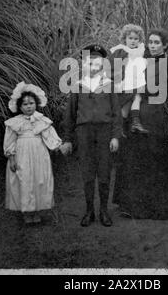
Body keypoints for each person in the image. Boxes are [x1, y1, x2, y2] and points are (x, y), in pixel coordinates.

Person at [113, 29, 168, 220]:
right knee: (135, 156)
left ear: (165, 45)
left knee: (157, 156)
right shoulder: (140, 60)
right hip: (138, 111)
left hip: (159, 113)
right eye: (150, 42)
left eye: (157, 42)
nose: (152, 45)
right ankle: (133, 206)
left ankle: (159, 206)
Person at [61, 45, 122, 227]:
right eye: (89, 62)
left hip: (104, 133)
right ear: (83, 64)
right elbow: (70, 115)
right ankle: (89, 211)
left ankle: (104, 211)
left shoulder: (109, 85)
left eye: (97, 62)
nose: (93, 65)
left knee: (104, 172)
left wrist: (115, 136)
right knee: (87, 172)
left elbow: (116, 114)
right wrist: (68, 139)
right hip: (84, 133)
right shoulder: (78, 86)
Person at [4, 82, 63, 225]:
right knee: (25, 180)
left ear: (36, 104)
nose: (28, 106)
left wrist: (58, 147)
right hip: (22, 155)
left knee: (39, 180)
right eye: (25, 104)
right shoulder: (15, 123)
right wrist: (12, 158)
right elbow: (10, 142)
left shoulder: (41, 121)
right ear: (19, 107)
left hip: (39, 154)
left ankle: (37, 211)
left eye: (31, 103)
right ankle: (27, 212)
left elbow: (50, 136)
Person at [110, 24, 148, 134]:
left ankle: (133, 124)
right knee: (126, 104)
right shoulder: (120, 51)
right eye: (130, 38)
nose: (133, 41)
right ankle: (121, 128)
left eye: (136, 39)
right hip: (124, 83)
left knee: (135, 98)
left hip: (136, 83)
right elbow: (112, 66)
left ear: (139, 40)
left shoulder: (141, 51)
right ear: (125, 39)